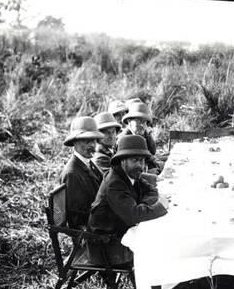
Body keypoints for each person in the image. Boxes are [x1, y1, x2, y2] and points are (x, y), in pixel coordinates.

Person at [88, 135, 169, 264]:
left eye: (142, 161)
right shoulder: (115, 183)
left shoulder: (130, 173)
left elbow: (151, 190)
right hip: (106, 243)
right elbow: (133, 216)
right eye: (135, 160)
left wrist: (143, 206)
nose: (140, 166)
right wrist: (160, 207)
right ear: (122, 161)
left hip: (119, 230)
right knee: (159, 244)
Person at [60, 116, 105, 228]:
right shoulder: (72, 173)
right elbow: (77, 217)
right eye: (86, 140)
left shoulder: (89, 163)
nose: (92, 145)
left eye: (94, 140)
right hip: (93, 232)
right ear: (74, 142)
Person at [118, 102, 161, 174]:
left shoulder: (140, 134)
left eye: (144, 122)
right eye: (138, 121)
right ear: (129, 122)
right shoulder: (124, 139)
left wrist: (146, 133)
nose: (142, 124)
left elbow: (152, 151)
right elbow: (126, 168)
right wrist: (147, 172)